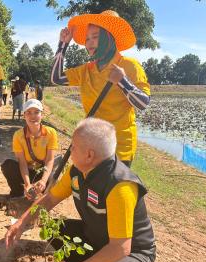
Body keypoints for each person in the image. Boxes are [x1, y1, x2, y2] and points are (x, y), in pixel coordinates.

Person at [5, 118, 156, 262]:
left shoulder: (120, 186)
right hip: (97, 236)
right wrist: (21, 223)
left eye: (73, 147)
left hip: (131, 250)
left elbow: (121, 246)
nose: (70, 151)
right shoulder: (77, 171)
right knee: (54, 230)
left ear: (90, 155)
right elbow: (49, 199)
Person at [51, 10, 150, 167]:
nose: (89, 43)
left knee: (111, 190)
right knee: (87, 190)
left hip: (118, 148)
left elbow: (143, 103)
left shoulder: (130, 65)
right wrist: (63, 45)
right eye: (87, 38)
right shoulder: (86, 70)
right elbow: (56, 78)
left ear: (109, 37)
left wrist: (123, 81)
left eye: (95, 37)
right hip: (92, 145)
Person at [1, 99, 59, 199]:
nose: (33, 116)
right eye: (29, 113)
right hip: (26, 171)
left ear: (42, 114)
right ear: (24, 116)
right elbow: (22, 162)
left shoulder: (51, 133)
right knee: (8, 165)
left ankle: (41, 191)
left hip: (41, 171)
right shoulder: (18, 135)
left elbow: (50, 160)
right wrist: (27, 185)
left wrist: (43, 181)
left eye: (36, 112)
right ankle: (18, 193)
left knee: (53, 180)